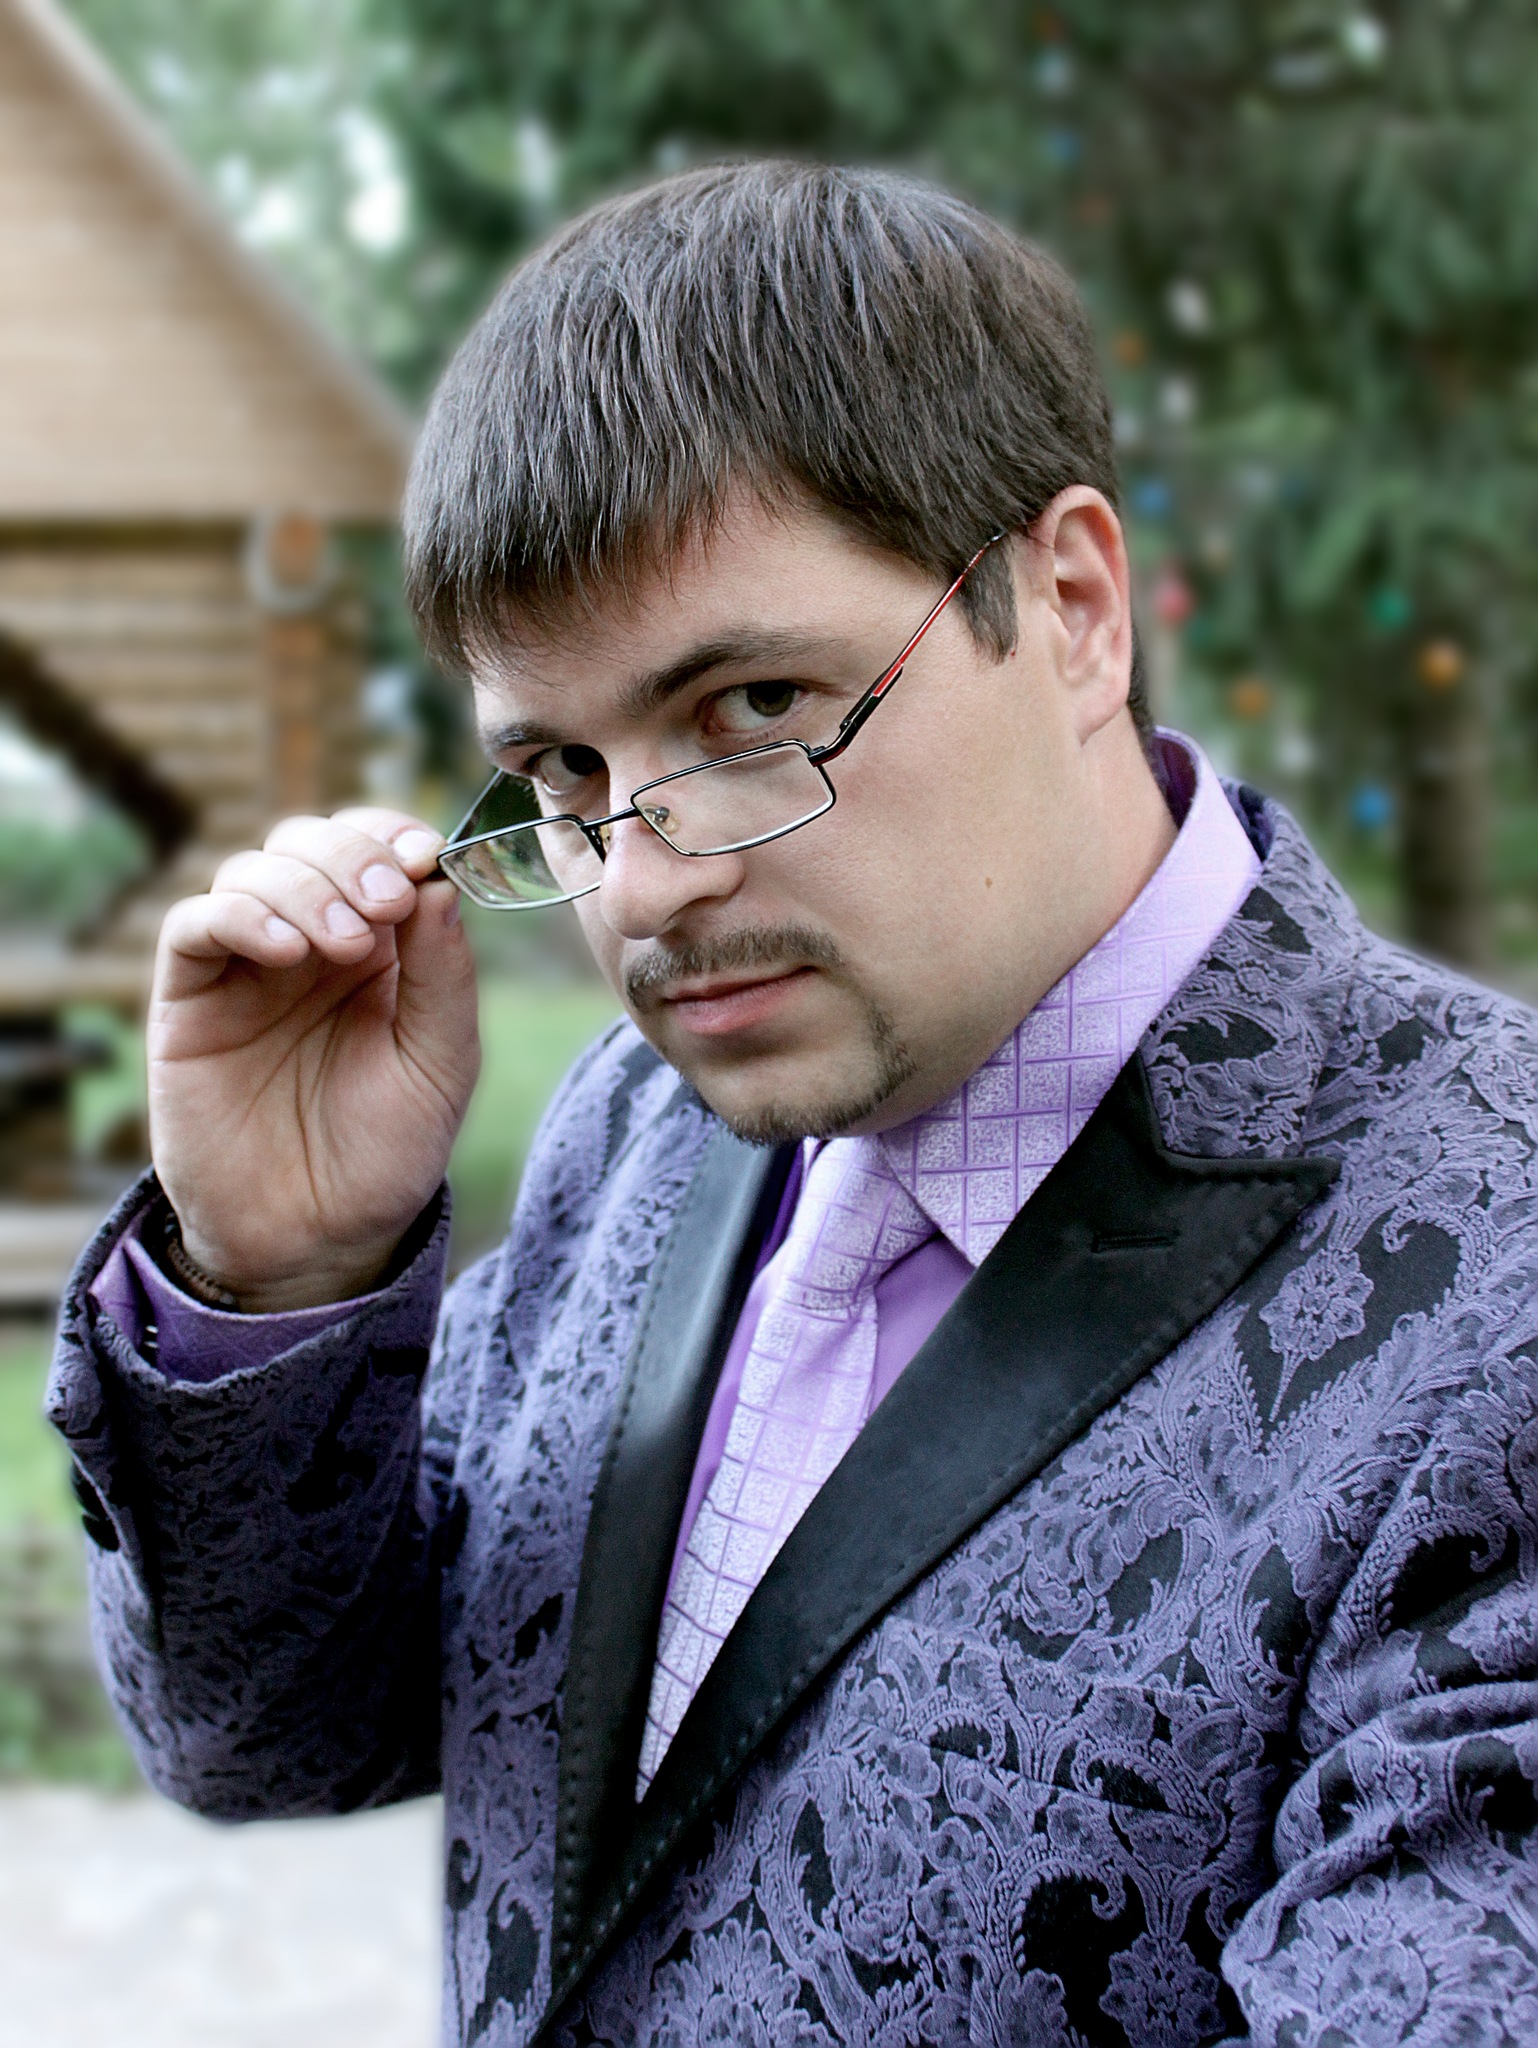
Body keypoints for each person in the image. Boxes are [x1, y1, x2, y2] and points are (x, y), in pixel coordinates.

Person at [49, 162, 1538, 2048]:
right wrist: (279, 1279)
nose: (640, 887)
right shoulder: (635, 1127)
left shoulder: (1494, 1270)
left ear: (1073, 605)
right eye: (563, 772)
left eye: (754, 709)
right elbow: (275, 1737)